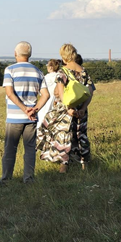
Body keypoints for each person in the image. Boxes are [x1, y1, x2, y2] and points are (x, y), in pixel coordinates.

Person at [37, 44, 94, 173]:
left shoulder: (62, 72)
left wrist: (68, 108)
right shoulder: (84, 71)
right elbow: (89, 91)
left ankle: (64, 165)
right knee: (81, 135)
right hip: (81, 109)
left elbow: (60, 92)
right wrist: (83, 108)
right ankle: (85, 164)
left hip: (66, 110)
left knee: (63, 136)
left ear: (63, 56)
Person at [0, 42, 49, 183]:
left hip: (14, 117)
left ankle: (6, 179)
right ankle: (29, 178)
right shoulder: (38, 72)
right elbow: (45, 95)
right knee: (30, 150)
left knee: (10, 149)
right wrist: (34, 109)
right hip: (32, 118)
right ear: (30, 55)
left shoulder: (10, 70)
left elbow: (9, 93)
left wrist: (23, 109)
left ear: (15, 54)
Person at [37, 59, 61, 128]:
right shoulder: (60, 76)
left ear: (51, 67)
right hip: (57, 102)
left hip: (46, 101)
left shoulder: (46, 78)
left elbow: (41, 93)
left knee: (42, 120)